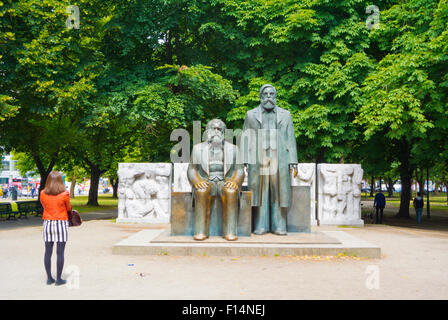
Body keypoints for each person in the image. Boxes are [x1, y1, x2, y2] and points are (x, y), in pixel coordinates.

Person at [243, 84, 298, 235]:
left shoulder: (285, 114)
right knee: (260, 192)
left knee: (279, 192)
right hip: (258, 157)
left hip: (279, 157)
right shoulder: (250, 115)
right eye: (265, 94)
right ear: (260, 97)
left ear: (275, 96)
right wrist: (244, 160)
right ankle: (261, 225)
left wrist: (293, 160)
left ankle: (279, 226)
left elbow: (290, 138)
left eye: (271, 94)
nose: (268, 97)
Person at [188, 119, 245, 241]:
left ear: (224, 132)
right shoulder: (197, 149)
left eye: (219, 129)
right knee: (202, 191)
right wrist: (197, 181)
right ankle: (200, 232)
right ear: (207, 131)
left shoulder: (234, 149)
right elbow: (192, 170)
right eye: (213, 128)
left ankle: (230, 232)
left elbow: (240, 170)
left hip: (225, 181)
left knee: (230, 191)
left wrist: (234, 181)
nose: (216, 131)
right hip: (206, 180)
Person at [39, 171, 72, 286]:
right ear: (60, 181)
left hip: (47, 223)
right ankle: (58, 279)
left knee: (48, 252)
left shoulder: (42, 193)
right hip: (61, 223)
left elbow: (44, 206)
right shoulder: (65, 194)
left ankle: (49, 278)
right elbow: (68, 208)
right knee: (60, 252)